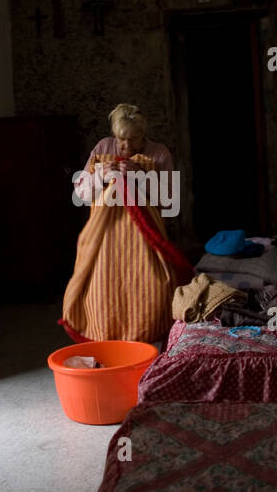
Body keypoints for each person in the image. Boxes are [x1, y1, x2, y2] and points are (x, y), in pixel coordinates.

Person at [61, 104, 189, 343]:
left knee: (151, 288)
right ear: (113, 134)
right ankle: (105, 335)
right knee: (102, 288)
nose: (126, 147)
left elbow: (170, 202)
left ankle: (146, 335)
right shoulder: (102, 148)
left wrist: (141, 176)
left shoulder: (159, 153)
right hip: (104, 237)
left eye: (134, 139)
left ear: (144, 135)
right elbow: (79, 195)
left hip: (146, 238)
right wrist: (100, 176)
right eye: (121, 139)